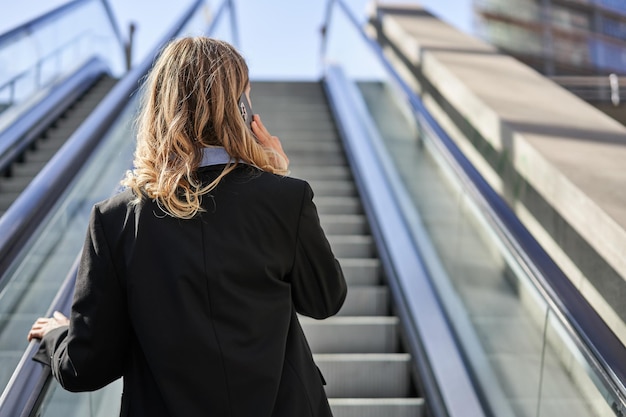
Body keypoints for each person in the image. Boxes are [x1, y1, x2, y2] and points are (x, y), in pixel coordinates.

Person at [27, 36, 347, 417]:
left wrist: (56, 336)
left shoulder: (115, 221)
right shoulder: (284, 198)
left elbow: (87, 366)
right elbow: (325, 300)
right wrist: (276, 178)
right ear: (240, 109)